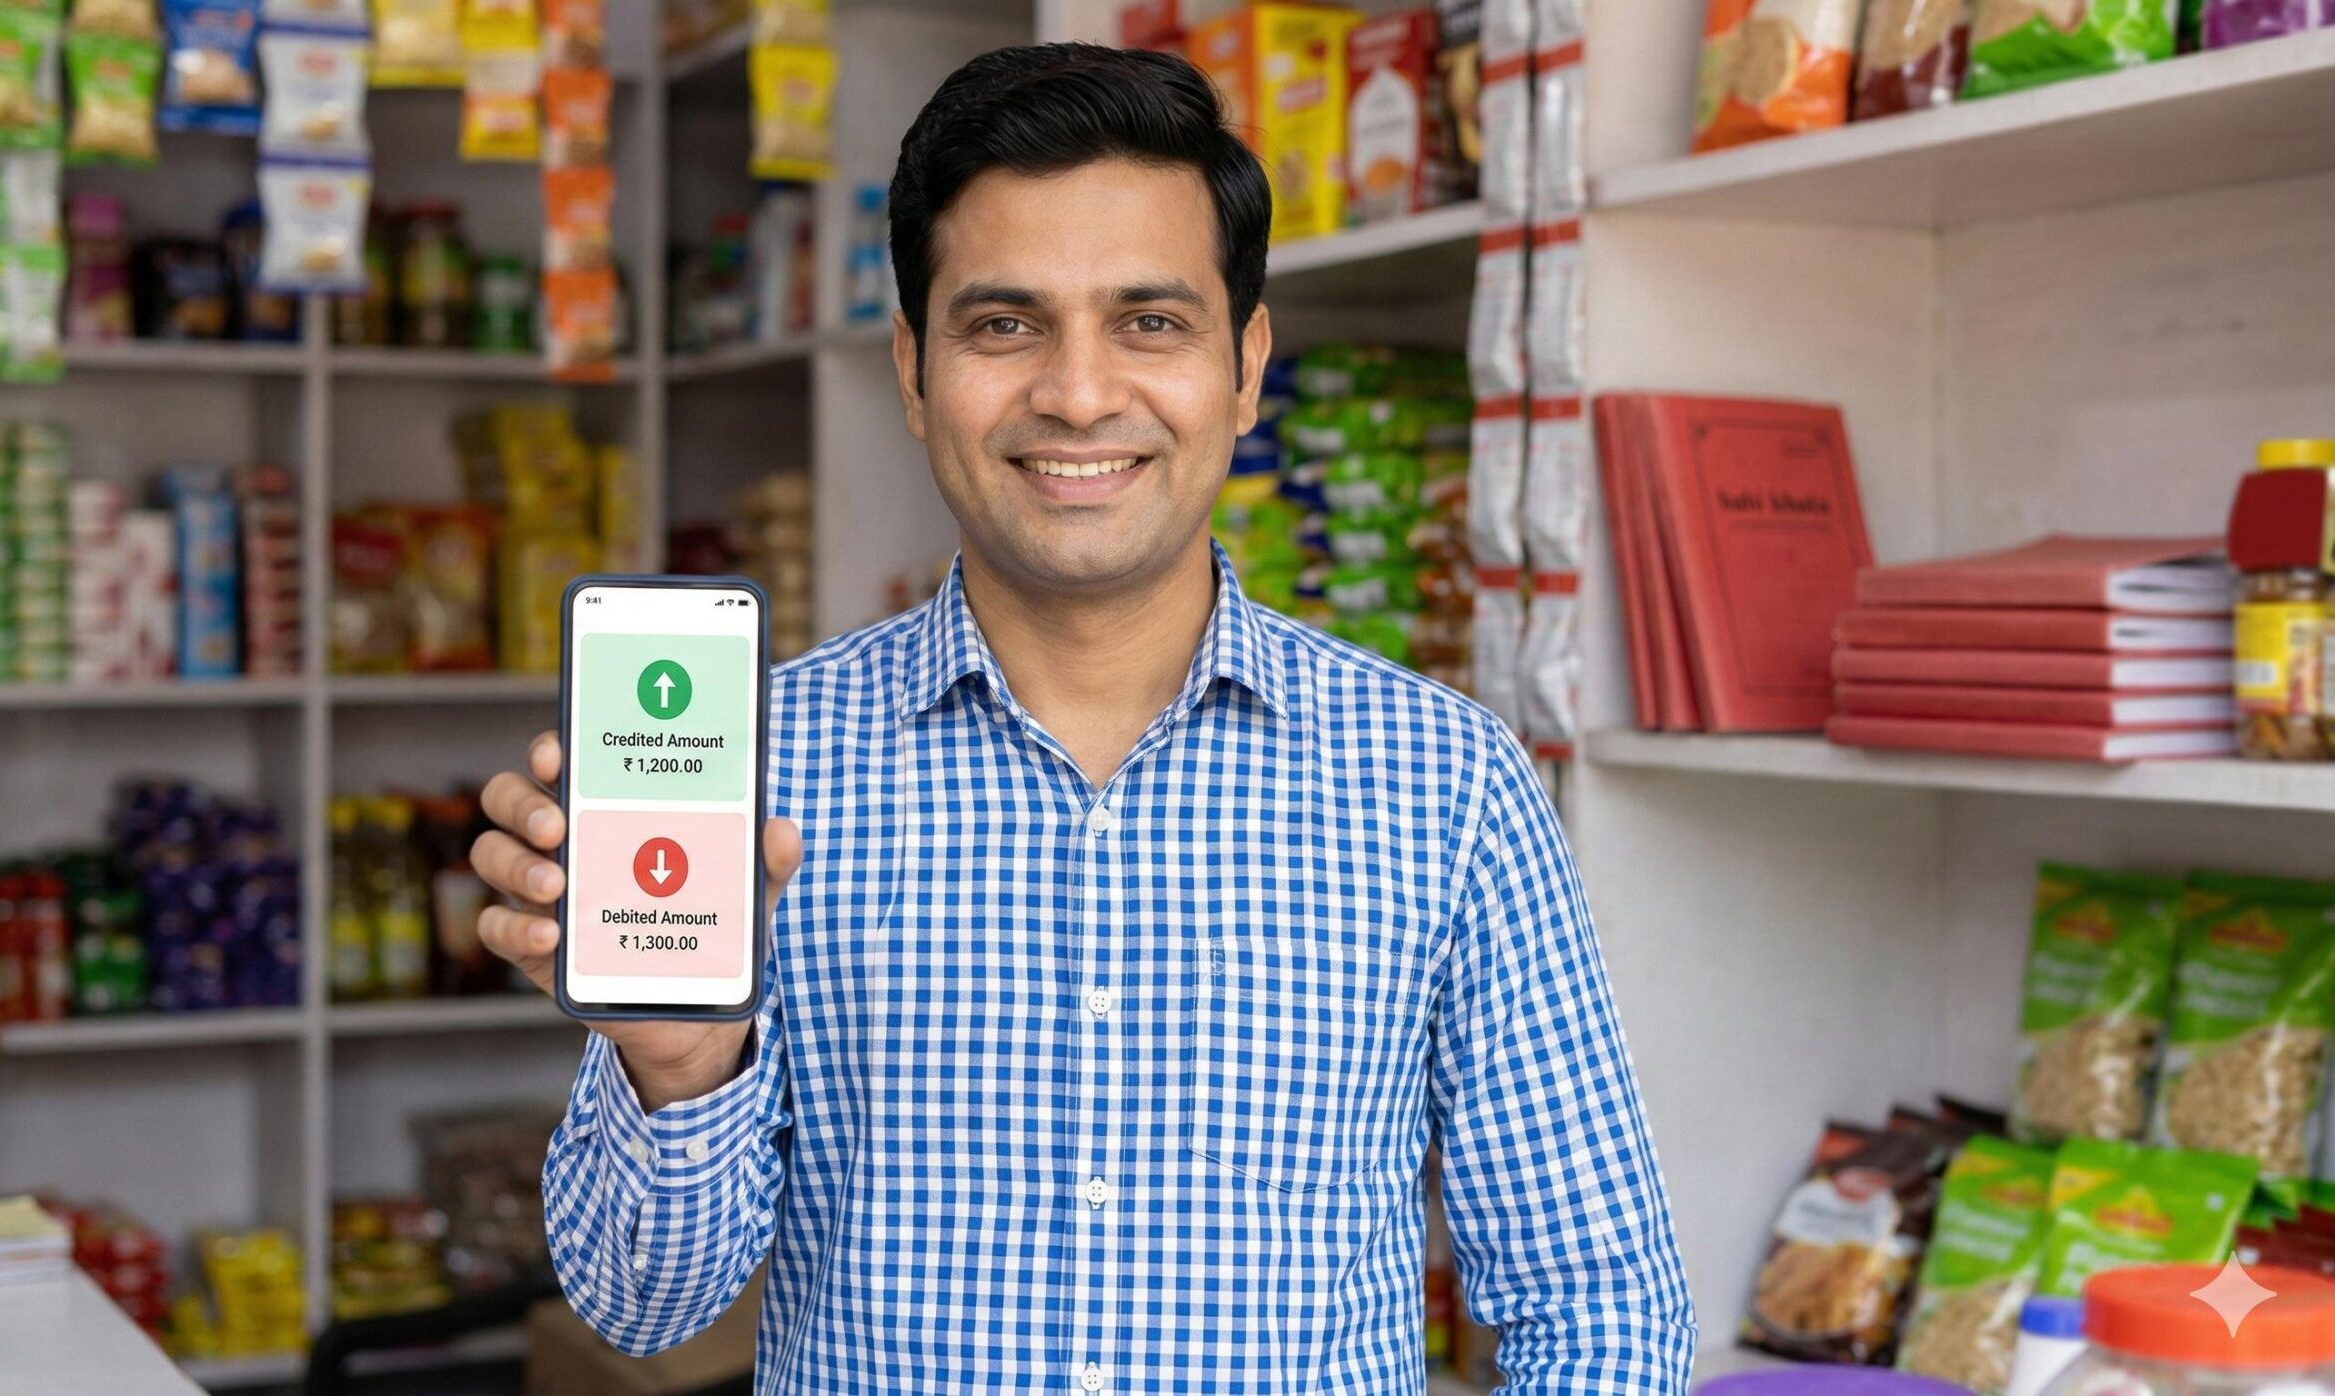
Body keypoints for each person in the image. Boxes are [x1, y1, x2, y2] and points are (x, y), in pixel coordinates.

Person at [471, 41, 1697, 1395]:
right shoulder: (763, 769)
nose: (1078, 393)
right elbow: (639, 1311)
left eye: (1150, 323)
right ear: (913, 369)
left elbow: (1599, 1308)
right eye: (1005, 325)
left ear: (1245, 367)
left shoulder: (1443, 782)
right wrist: (680, 1068)